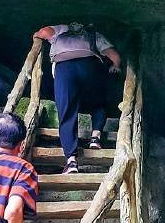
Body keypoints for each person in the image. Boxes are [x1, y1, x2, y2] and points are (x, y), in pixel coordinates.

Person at [33, 23, 121, 174]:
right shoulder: (92, 34)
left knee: (67, 111)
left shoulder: (61, 29)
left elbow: (45, 32)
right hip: (90, 66)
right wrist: (116, 65)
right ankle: (95, 137)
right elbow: (113, 54)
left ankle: (71, 161)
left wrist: (36, 34)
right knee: (99, 102)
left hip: (65, 67)